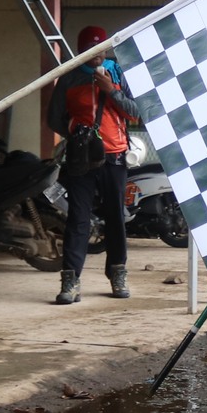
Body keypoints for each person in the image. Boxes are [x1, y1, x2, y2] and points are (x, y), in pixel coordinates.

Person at [47, 25, 140, 304]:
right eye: (91, 49)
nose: (97, 55)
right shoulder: (69, 78)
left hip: (115, 157)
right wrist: (78, 136)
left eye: (101, 49)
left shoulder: (118, 73)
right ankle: (70, 281)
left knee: (116, 217)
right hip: (81, 160)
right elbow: (53, 119)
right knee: (78, 219)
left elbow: (134, 113)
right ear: (81, 51)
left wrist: (111, 91)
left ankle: (117, 273)